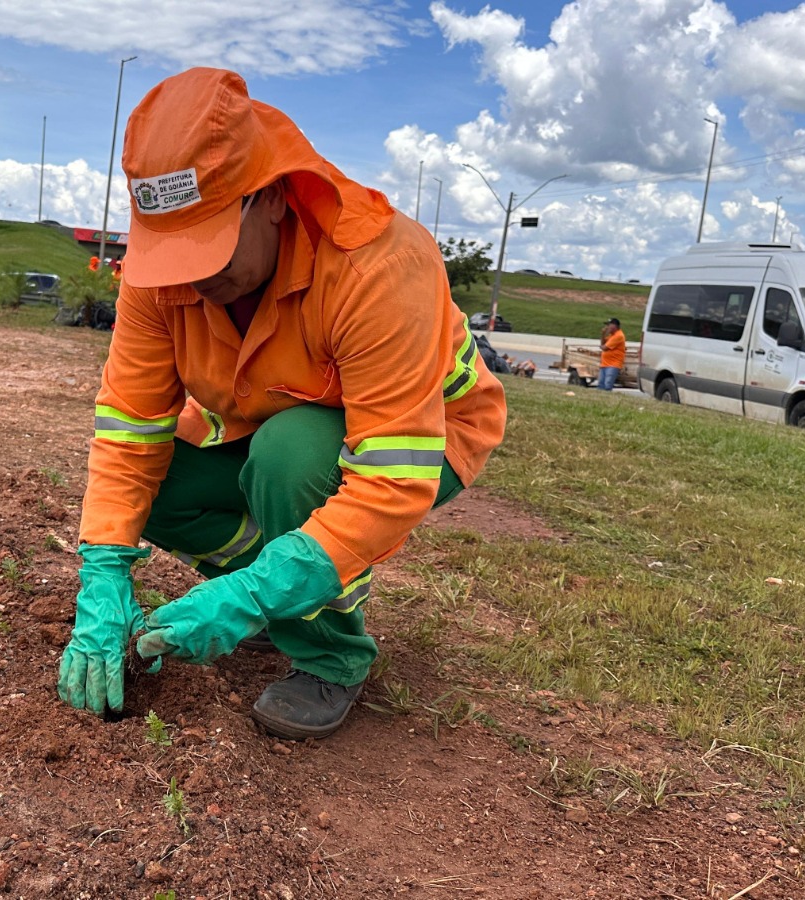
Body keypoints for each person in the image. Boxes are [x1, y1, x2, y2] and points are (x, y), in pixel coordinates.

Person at [57, 68, 507, 740]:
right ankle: (285, 603)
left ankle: (331, 655)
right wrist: (102, 574)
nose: (190, 274)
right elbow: (129, 431)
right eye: (173, 247)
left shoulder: (378, 263)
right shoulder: (160, 279)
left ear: (269, 197)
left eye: (207, 240)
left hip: (421, 438)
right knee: (158, 486)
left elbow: (392, 478)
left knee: (290, 456)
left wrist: (249, 595)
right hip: (263, 423)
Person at [599, 317, 626, 391]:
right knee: (601, 384)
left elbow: (604, 347)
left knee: (607, 385)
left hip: (613, 365)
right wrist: (603, 334)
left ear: (614, 326)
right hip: (605, 364)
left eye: (608, 325)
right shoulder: (612, 335)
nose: (607, 327)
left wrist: (602, 346)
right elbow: (603, 343)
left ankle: (606, 399)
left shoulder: (618, 336)